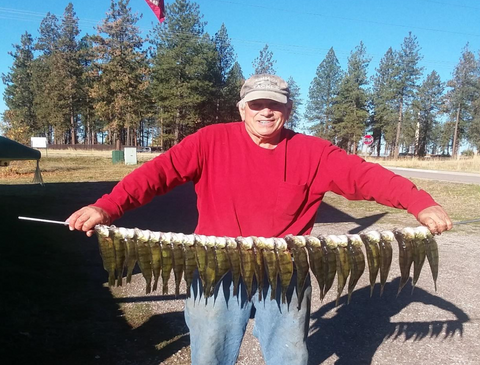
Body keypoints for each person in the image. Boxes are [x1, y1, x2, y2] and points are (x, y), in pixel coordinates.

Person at [67, 74, 452, 365]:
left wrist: (420, 203)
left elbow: (366, 176)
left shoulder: (312, 151)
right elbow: (155, 175)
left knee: (289, 351)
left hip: (285, 267)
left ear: (288, 109)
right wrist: (107, 207)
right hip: (217, 266)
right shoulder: (209, 140)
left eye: (276, 104)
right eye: (256, 104)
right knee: (210, 348)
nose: (266, 111)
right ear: (242, 108)